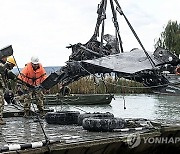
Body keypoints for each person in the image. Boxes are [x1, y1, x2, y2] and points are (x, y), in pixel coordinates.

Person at [0, 56, 16, 125]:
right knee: (1, 103)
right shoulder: (3, 67)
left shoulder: (5, 69)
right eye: (12, 66)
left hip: (2, 87)